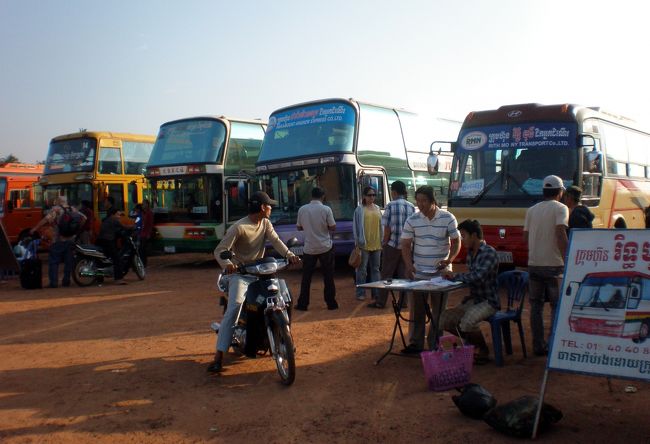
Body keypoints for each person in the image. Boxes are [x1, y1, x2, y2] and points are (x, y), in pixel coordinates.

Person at [209, 191, 300, 373]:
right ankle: (218, 355)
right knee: (234, 306)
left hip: (261, 272)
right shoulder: (239, 227)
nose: (271, 208)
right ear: (261, 207)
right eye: (269, 206)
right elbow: (220, 250)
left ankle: (284, 338)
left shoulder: (265, 223)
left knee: (283, 298)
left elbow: (276, 241)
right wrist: (228, 265)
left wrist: (290, 255)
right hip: (241, 274)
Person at [400, 185, 461, 353]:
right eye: (418, 201)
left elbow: (456, 242)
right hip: (419, 273)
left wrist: (449, 259)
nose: (421, 204)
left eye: (424, 201)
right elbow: (405, 245)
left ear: (433, 201)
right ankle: (415, 344)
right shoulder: (412, 220)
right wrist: (408, 264)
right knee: (417, 310)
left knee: (438, 312)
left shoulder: (448, 218)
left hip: (441, 275)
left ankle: (435, 343)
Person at [440, 219, 499, 364]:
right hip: (474, 299)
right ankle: (474, 344)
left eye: (464, 235)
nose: (462, 239)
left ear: (474, 235)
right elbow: (470, 277)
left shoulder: (489, 252)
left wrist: (454, 277)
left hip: (488, 301)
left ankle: (483, 350)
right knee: (443, 320)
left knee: (467, 322)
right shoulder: (471, 253)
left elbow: (477, 277)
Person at [523, 175, 569, 356]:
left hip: (534, 265)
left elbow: (525, 237)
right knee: (557, 306)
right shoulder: (561, 209)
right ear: (560, 192)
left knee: (536, 306)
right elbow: (560, 234)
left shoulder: (531, 210)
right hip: (554, 265)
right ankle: (554, 344)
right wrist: (568, 259)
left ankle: (538, 345)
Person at [370, 180, 415, 309]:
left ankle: (381, 302)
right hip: (406, 246)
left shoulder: (390, 205)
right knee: (404, 274)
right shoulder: (411, 206)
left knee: (386, 274)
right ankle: (403, 302)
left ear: (394, 192)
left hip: (392, 245)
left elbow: (387, 228)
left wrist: (384, 242)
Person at [295, 187, 338, 311]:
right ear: (323, 196)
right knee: (328, 277)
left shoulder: (302, 209)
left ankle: (303, 304)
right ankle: (331, 303)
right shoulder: (326, 209)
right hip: (325, 247)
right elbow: (333, 227)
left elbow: (299, 227)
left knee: (306, 278)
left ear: (311, 196)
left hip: (309, 248)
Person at [30, 195, 86, 288]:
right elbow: (84, 218)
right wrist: (77, 230)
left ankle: (54, 282)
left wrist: (35, 228)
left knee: (54, 261)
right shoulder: (73, 209)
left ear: (58, 201)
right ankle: (66, 281)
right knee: (68, 261)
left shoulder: (56, 210)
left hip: (57, 239)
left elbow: (45, 220)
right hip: (71, 239)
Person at [353, 186, 382, 301]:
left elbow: (381, 226)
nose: (372, 197)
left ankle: (376, 293)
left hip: (377, 243)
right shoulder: (359, 210)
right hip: (363, 244)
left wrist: (382, 240)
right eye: (369, 195)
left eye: (374, 195)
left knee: (376, 269)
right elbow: (355, 227)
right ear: (364, 196)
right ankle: (360, 292)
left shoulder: (378, 208)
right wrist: (357, 243)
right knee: (362, 270)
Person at [97, 207, 128, 285]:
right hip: (108, 241)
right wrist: (134, 227)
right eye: (117, 214)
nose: (119, 216)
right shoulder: (114, 220)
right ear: (112, 215)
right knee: (117, 259)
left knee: (103, 258)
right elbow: (124, 227)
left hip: (100, 241)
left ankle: (99, 278)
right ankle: (118, 279)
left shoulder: (105, 220)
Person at [139, 199, 154, 266]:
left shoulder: (149, 213)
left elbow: (150, 224)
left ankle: (144, 263)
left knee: (143, 249)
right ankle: (142, 262)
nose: (142, 205)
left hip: (145, 233)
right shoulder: (143, 213)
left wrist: (149, 233)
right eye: (142, 204)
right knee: (141, 249)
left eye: (144, 204)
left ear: (147, 205)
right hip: (142, 233)